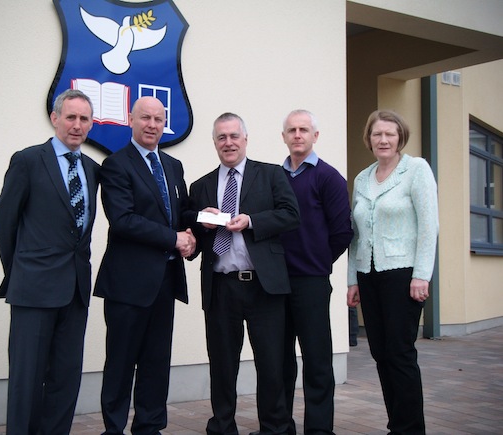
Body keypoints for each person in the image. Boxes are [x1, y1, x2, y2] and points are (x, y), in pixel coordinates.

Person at [0, 89, 100, 434]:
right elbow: (3, 220)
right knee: (27, 380)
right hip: (33, 290)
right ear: (55, 118)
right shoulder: (27, 161)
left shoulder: (92, 169)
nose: (77, 125)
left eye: (84, 119)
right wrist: (21, 269)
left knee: (65, 381)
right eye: (71, 117)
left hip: (75, 291)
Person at [188, 112, 300, 435]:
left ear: (245, 139)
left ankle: (275, 428)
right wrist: (199, 224)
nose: (228, 143)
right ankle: (222, 427)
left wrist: (251, 221)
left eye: (234, 136)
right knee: (222, 366)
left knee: (272, 364)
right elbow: (194, 237)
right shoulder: (202, 186)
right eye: (221, 137)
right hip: (222, 288)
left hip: (264, 287)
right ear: (214, 143)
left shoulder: (271, 175)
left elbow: (291, 215)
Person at [94, 96, 196, 435]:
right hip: (127, 284)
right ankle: (114, 428)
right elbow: (123, 220)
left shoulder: (172, 165)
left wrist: (195, 229)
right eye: (145, 118)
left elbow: (178, 214)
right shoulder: (116, 165)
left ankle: (150, 427)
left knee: (156, 363)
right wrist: (173, 239)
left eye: (158, 118)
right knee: (121, 363)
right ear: (131, 120)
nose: (152, 124)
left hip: (165, 281)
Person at [347, 110, 439, 435]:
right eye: (377, 134)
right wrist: (353, 279)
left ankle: (411, 429)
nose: (383, 140)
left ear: (400, 136)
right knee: (380, 353)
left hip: (404, 276)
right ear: (369, 139)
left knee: (400, 353)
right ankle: (397, 425)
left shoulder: (416, 170)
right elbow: (355, 233)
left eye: (390, 133)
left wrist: (422, 275)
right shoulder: (362, 178)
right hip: (369, 276)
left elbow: (430, 227)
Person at [278, 110, 354, 435]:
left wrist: (319, 262)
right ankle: (280, 427)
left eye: (304, 129)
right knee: (279, 362)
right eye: (292, 130)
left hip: (311, 283)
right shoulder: (273, 177)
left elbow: (342, 232)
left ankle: (319, 430)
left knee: (317, 362)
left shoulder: (329, 178)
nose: (297, 135)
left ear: (315, 136)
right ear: (284, 136)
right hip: (275, 284)